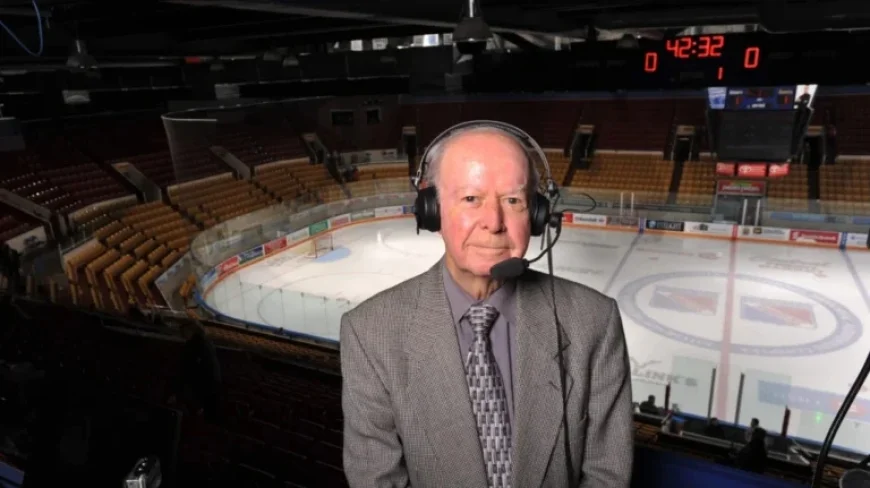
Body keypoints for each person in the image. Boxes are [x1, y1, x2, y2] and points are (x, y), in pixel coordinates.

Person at [340, 123, 633, 488]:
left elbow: (609, 474)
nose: (494, 223)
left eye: (513, 201)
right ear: (431, 210)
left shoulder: (594, 322)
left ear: (538, 215)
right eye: (470, 199)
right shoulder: (369, 332)